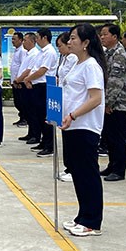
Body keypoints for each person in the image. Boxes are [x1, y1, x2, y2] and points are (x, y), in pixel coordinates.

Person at [59, 23, 107, 237]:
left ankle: (92, 221)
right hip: (72, 126)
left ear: (86, 43)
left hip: (85, 126)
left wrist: (73, 115)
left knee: (88, 174)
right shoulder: (77, 64)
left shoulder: (91, 66)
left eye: (73, 38)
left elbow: (96, 98)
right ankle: (82, 215)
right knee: (78, 173)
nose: (69, 42)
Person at [98, 24, 126, 181]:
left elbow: (115, 82)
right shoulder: (108, 53)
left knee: (117, 139)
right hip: (108, 103)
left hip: (116, 104)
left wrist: (108, 103)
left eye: (105, 34)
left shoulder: (119, 55)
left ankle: (119, 170)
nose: (102, 37)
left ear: (115, 37)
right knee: (109, 137)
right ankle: (112, 165)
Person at [26, 29, 59, 157]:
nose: (36, 40)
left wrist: (28, 79)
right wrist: (29, 79)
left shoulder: (49, 52)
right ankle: (44, 141)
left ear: (44, 37)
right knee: (39, 115)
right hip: (37, 85)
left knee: (46, 116)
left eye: (38, 37)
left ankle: (49, 146)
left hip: (44, 86)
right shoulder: (41, 52)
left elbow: (42, 71)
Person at [55, 31, 78, 181]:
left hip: (71, 100)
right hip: (63, 98)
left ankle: (73, 169)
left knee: (73, 139)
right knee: (66, 136)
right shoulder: (64, 58)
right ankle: (68, 167)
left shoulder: (74, 59)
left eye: (60, 45)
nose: (60, 48)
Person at [15, 33, 40, 144]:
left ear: (32, 41)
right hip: (23, 83)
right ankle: (31, 133)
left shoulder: (35, 54)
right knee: (27, 110)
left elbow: (28, 70)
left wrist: (18, 80)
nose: (23, 42)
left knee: (32, 111)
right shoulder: (27, 53)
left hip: (28, 84)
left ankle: (35, 134)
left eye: (25, 40)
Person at [9, 32, 28, 127]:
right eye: (12, 39)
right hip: (15, 81)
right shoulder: (16, 51)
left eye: (14, 39)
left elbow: (23, 66)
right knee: (17, 101)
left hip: (20, 81)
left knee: (21, 101)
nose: (12, 41)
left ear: (20, 40)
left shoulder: (22, 51)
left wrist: (19, 80)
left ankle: (25, 118)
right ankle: (21, 117)